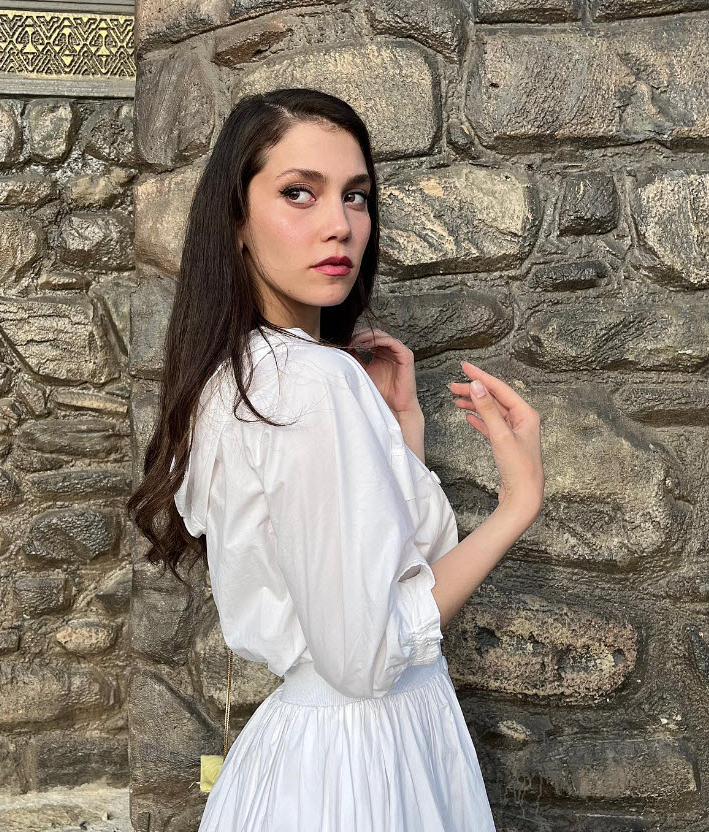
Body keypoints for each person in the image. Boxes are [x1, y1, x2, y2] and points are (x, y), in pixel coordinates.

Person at [128, 87, 545, 831]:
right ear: (237, 221)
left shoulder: (235, 377)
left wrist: (398, 430)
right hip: (363, 763)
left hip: (317, 755)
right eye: (299, 192)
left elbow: (390, 580)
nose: (340, 225)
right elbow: (371, 656)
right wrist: (518, 505)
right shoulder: (309, 383)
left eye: (356, 196)